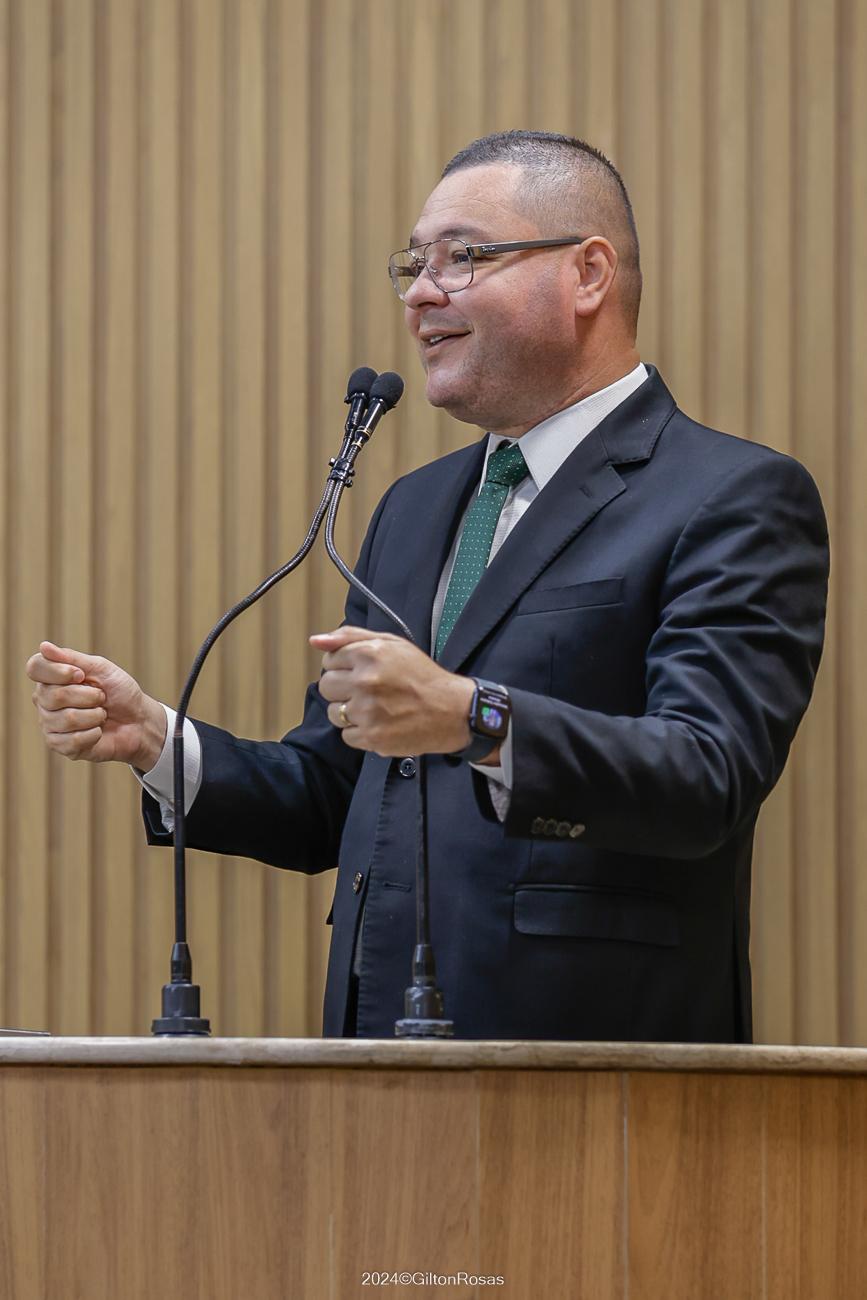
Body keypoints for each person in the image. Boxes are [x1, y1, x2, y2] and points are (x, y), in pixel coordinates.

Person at [27, 131, 828, 1042]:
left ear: (588, 274)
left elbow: (707, 776)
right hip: (378, 1044)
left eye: (462, 258)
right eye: (413, 265)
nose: (419, 293)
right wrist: (156, 740)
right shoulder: (413, 508)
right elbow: (338, 793)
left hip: (594, 1058)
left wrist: (472, 715)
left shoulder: (729, 495)